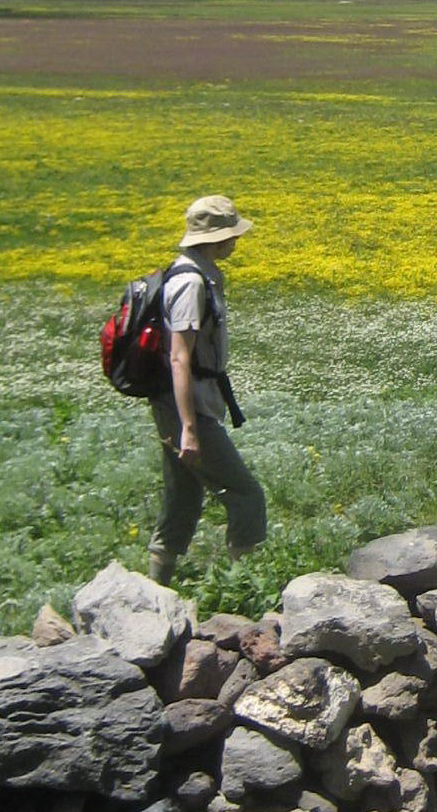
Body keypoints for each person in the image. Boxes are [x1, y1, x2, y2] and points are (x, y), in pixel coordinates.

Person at [147, 194, 266, 583]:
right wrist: (189, 428)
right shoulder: (190, 284)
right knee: (247, 496)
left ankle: (154, 590)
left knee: (183, 498)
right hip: (188, 408)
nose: (237, 240)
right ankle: (247, 588)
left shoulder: (196, 274)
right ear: (217, 238)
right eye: (233, 234)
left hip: (180, 405)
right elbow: (179, 358)